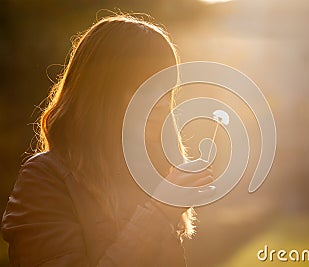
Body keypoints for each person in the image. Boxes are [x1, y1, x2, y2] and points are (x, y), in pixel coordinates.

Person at [2, 14, 213, 266]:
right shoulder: (44, 178)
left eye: (167, 89)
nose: (162, 104)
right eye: (145, 88)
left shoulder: (146, 177)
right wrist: (158, 211)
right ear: (102, 92)